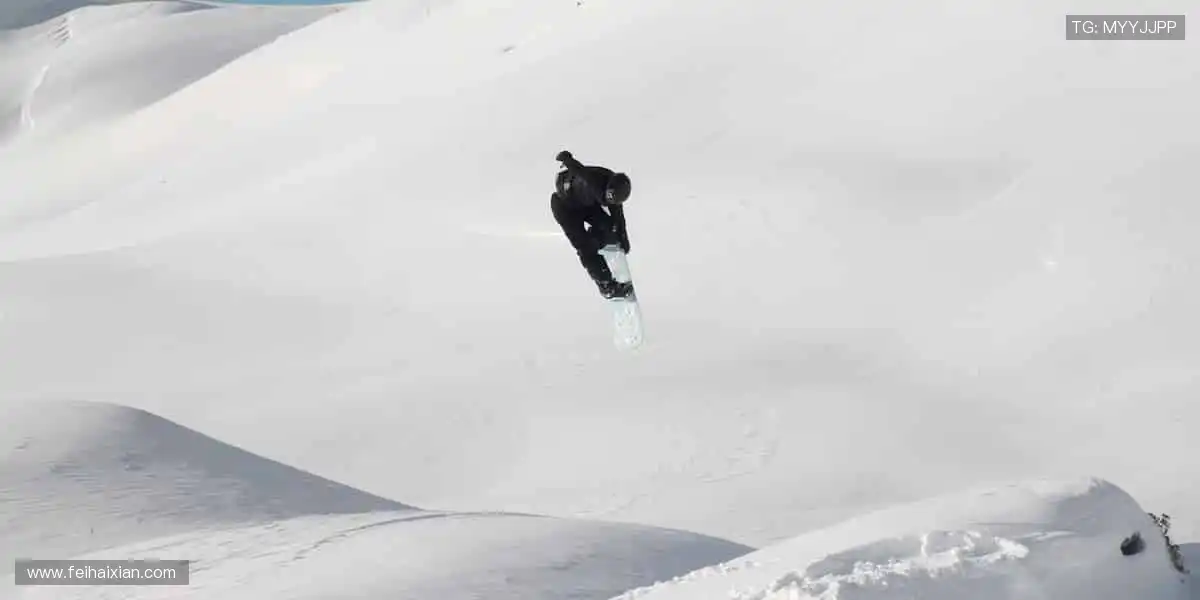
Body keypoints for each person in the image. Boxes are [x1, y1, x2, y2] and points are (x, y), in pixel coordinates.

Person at [550, 150, 633, 298]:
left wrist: (623, 238)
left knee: (610, 227)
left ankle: (597, 240)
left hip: (585, 203)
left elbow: (618, 216)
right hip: (564, 208)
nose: (609, 200)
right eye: (609, 196)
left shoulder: (613, 192)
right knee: (585, 247)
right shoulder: (595, 181)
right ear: (608, 188)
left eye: (612, 200)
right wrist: (567, 159)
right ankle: (607, 287)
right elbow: (580, 170)